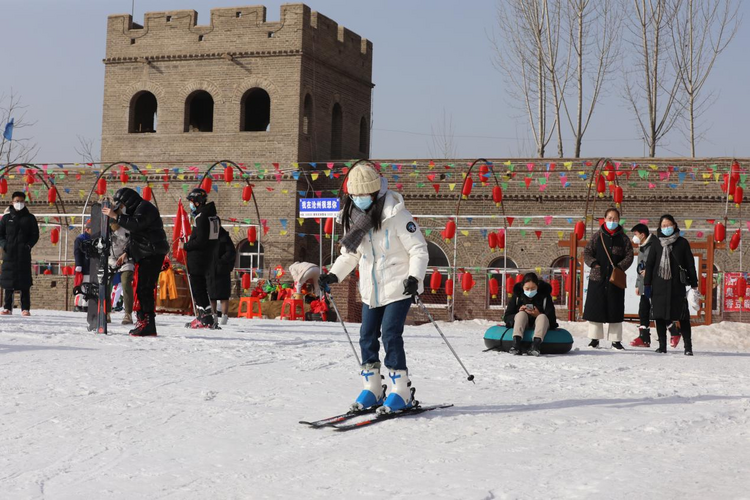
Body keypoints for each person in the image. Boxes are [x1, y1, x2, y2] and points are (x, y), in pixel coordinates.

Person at [319, 162, 428, 414]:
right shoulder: (351, 216)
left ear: (374, 192)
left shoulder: (396, 214)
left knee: (390, 335)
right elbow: (350, 254)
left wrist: (414, 277)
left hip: (399, 286)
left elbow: (418, 249)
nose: (359, 199)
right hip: (371, 290)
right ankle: (373, 388)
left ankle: (401, 391)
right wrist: (334, 275)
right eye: (354, 195)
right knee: (367, 336)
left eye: (363, 195)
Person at [103, 188, 169, 336]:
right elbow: (135, 236)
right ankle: (144, 321)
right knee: (142, 289)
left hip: (152, 253)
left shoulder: (145, 208)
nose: (120, 209)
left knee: (145, 289)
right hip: (145, 252)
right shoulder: (136, 210)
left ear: (128, 202)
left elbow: (137, 224)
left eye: (121, 206)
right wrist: (126, 252)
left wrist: (116, 216)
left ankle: (148, 323)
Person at [644, 215, 698, 355]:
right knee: (659, 316)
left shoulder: (682, 243)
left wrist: (694, 283)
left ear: (674, 225)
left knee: (683, 316)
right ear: (660, 227)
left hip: (677, 286)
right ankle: (662, 346)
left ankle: (688, 347)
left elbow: (690, 265)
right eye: (663, 225)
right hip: (659, 284)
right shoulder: (656, 243)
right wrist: (647, 284)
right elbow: (649, 265)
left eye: (669, 225)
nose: (666, 228)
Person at [583, 207, 634, 349]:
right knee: (595, 308)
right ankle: (594, 339)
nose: (612, 221)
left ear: (619, 220)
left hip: (615, 279)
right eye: (610, 218)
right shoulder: (597, 236)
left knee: (615, 308)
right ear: (604, 219)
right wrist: (594, 264)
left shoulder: (623, 238)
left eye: (615, 219)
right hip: (598, 278)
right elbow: (587, 252)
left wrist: (620, 267)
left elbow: (629, 255)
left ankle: (615, 340)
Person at [183, 188, 220, 328]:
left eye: (192, 202)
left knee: (197, 287)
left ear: (197, 202)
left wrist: (185, 245)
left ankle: (203, 317)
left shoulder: (202, 217)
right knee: (202, 287)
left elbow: (200, 241)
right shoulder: (214, 217)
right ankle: (207, 316)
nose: (191, 204)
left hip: (198, 257)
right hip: (208, 256)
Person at [0, 192, 39, 315]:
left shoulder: (30, 218)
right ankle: (7, 307)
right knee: (8, 281)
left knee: (24, 281)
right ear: (12, 202)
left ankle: (25, 308)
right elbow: (0, 234)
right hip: (9, 254)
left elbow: (35, 235)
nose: (19, 203)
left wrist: (28, 246)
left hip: (24, 254)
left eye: (21, 201)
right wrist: (5, 245)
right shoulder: (6, 218)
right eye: (17, 201)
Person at [503, 273, 559, 356]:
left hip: (539, 325)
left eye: (533, 289)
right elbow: (507, 317)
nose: (530, 291)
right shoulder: (517, 297)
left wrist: (538, 314)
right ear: (523, 287)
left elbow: (552, 320)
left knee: (542, 317)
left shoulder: (545, 297)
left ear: (537, 287)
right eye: (527, 288)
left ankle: (535, 345)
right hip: (523, 323)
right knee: (521, 314)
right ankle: (516, 344)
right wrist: (518, 312)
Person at [630, 223, 656, 347]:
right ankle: (644, 338)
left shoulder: (654, 245)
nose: (634, 237)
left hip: (654, 283)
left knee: (657, 310)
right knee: (643, 310)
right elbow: (640, 267)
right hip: (645, 284)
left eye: (635, 234)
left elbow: (658, 263)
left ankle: (674, 331)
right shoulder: (642, 246)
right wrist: (638, 285)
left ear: (642, 234)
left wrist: (650, 272)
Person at [108, 219, 135, 325]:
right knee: (105, 282)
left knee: (125, 282)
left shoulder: (127, 226)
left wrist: (126, 254)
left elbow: (133, 242)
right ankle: (106, 312)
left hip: (126, 258)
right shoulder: (104, 228)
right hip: (111, 258)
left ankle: (128, 313)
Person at [208, 224, 236, 326]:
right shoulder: (208, 235)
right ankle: (213, 315)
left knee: (223, 295)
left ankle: (224, 316)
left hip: (222, 270)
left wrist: (221, 261)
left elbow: (231, 252)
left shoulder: (224, 237)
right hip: (210, 270)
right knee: (211, 295)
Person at [73, 219, 92, 311]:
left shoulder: (93, 238)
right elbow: (77, 253)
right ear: (87, 229)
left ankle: (86, 304)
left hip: (90, 266)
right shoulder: (80, 238)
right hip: (83, 266)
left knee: (88, 287)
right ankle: (78, 304)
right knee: (81, 286)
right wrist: (78, 264)